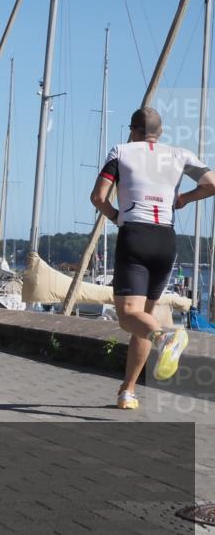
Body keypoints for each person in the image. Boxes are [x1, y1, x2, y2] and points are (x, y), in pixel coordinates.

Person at [90, 107, 215, 410]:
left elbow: (98, 196)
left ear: (132, 129)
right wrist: (184, 198)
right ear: (160, 132)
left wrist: (116, 217)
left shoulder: (122, 150)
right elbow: (212, 183)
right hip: (165, 240)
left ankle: (165, 339)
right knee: (141, 319)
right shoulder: (179, 154)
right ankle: (127, 392)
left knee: (127, 316)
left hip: (135, 235)